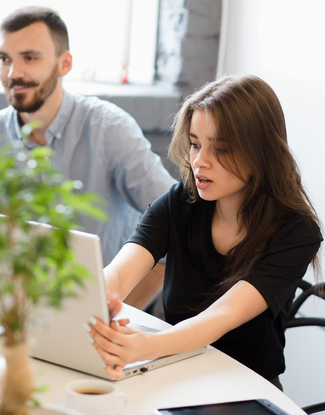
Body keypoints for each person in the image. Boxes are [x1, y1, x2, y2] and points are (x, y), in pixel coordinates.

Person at [85, 74, 323, 387]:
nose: (200, 161)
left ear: (261, 152)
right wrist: (94, 300)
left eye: (221, 149)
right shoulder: (179, 202)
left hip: (246, 390)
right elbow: (119, 272)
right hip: (177, 373)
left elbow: (220, 316)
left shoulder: (296, 232)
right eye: (195, 144)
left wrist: (147, 346)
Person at [0, 6, 176, 309]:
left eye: (30, 58)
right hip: (17, 314)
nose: (14, 73)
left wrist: (116, 314)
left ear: (64, 63)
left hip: (101, 313)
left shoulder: (109, 129)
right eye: (4, 59)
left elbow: (178, 229)